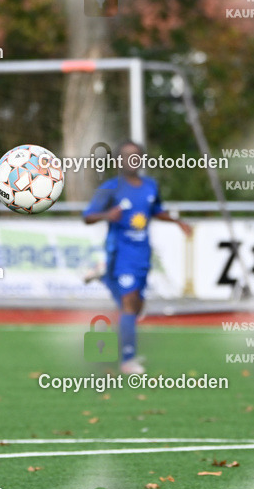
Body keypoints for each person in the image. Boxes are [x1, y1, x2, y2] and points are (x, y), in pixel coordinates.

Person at [82, 140, 192, 374]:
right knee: (129, 305)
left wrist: (177, 221)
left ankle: (104, 275)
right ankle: (127, 359)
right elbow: (88, 216)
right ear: (118, 161)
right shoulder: (110, 188)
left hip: (142, 255)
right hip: (120, 253)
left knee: (137, 306)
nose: (131, 160)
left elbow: (156, 211)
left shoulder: (150, 186)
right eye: (126, 156)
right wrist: (107, 215)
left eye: (135, 156)